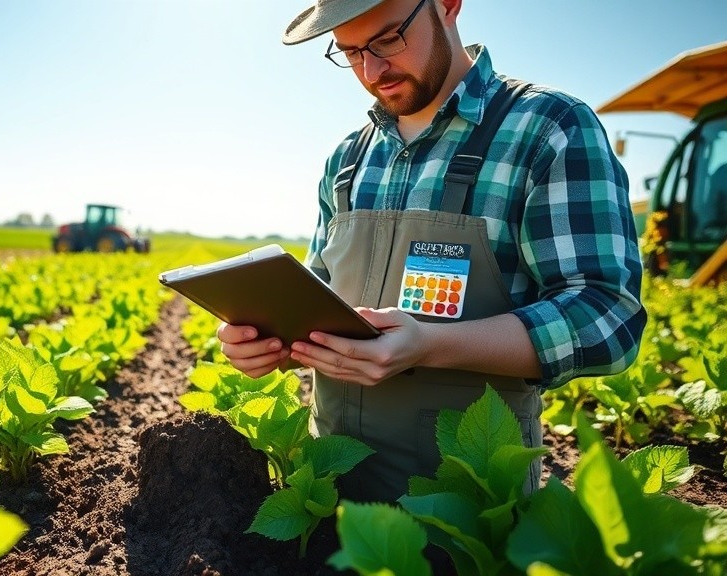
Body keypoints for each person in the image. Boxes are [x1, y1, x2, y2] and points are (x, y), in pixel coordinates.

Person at [216, 0, 647, 506]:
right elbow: (321, 297)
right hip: (329, 499)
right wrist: (274, 342)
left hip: (467, 512)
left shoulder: (548, 128)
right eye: (351, 52)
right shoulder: (347, 159)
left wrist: (430, 345)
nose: (372, 70)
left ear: (446, 5)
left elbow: (606, 317)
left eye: (387, 39)